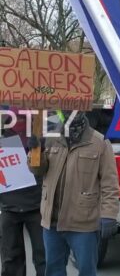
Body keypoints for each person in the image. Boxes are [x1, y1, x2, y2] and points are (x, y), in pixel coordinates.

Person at [28, 111, 120, 276]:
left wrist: (109, 214)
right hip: (52, 223)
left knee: (87, 271)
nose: (69, 113)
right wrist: (35, 152)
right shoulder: (52, 138)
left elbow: (110, 183)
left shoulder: (99, 142)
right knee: (54, 271)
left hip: (83, 224)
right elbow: (38, 170)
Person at [0, 110, 46, 276]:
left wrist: (41, 148)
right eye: (15, 118)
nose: (18, 122)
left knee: (43, 258)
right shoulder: (3, 139)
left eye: (22, 118)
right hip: (9, 208)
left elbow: (48, 168)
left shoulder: (42, 136)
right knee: (11, 260)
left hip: (37, 206)